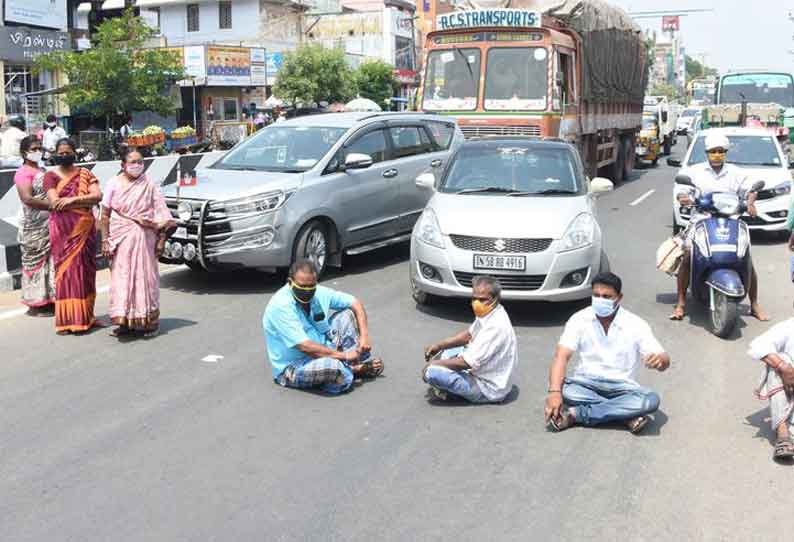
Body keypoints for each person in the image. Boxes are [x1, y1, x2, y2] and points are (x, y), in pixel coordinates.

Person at [545, 272, 670, 434]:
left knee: (650, 401)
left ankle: (577, 415)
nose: (600, 300)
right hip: (586, 383)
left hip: (622, 387)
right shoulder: (579, 319)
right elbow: (561, 356)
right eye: (596, 295)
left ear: (619, 298)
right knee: (561, 388)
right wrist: (554, 393)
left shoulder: (635, 324)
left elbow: (664, 359)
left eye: (606, 296)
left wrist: (660, 361)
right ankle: (624, 415)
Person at [671, 132, 768, 321]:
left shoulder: (735, 172)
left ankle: (754, 304)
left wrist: (750, 201)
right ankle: (681, 303)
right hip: (701, 220)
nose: (717, 155)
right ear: (707, 153)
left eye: (720, 151)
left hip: (731, 220)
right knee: (689, 255)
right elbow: (683, 191)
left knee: (745, 256)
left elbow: (750, 189)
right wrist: (683, 197)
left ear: (726, 153)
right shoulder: (696, 171)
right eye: (713, 151)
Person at [263, 260, 384, 394]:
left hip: (325, 347)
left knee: (348, 314)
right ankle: (353, 369)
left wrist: (364, 337)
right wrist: (344, 356)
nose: (307, 291)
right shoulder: (281, 305)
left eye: (311, 287)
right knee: (332, 367)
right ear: (290, 282)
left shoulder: (318, 292)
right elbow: (305, 346)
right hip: (295, 365)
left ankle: (348, 366)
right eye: (302, 287)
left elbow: (355, 303)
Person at [101, 148, 175, 338]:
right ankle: (125, 321)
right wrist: (105, 240)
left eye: (140, 161)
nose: (137, 165)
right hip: (120, 239)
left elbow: (162, 212)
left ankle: (149, 322)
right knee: (122, 279)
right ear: (123, 165)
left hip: (145, 238)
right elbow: (105, 214)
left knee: (145, 279)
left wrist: (161, 239)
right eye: (132, 162)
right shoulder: (113, 184)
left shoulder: (149, 184)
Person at [422, 275, 517, 403]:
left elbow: (466, 363)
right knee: (446, 353)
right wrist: (439, 345)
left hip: (488, 388)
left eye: (482, 299)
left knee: (432, 372)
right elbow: (469, 335)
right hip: (481, 369)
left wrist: (433, 364)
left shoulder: (495, 326)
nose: (477, 303)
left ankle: (453, 394)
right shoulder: (490, 312)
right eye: (474, 298)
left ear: (495, 299)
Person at [43, 138, 102, 334]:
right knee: (66, 273)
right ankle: (67, 320)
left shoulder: (85, 173)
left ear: (74, 153)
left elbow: (97, 196)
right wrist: (82, 202)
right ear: (56, 154)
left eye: (68, 151)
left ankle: (87, 317)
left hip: (84, 228)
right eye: (61, 152)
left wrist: (71, 201)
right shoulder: (50, 176)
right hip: (62, 230)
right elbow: (54, 202)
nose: (64, 155)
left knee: (85, 271)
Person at [14, 136, 55, 315]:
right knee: (35, 261)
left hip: (50, 223)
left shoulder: (43, 169)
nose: (38, 151)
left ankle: (50, 299)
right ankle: (36, 303)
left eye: (40, 148)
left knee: (50, 261)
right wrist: (54, 205)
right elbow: (27, 198)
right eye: (34, 148)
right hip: (34, 224)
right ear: (24, 152)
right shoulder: (23, 173)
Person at [748, 317, 794, 460]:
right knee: (778, 362)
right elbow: (758, 345)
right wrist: (783, 367)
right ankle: (783, 435)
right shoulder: (789, 327)